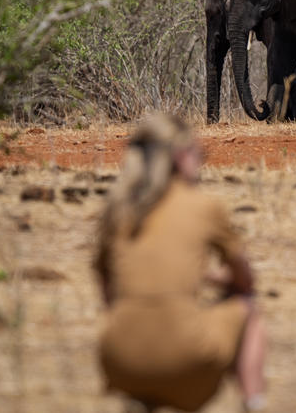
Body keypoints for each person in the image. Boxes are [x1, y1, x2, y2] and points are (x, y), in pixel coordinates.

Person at [93, 114, 266, 412]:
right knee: (248, 307)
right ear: (180, 156)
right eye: (199, 153)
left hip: (119, 359)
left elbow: (106, 284)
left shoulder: (117, 207)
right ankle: (254, 403)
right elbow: (246, 280)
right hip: (186, 359)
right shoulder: (202, 205)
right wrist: (220, 280)